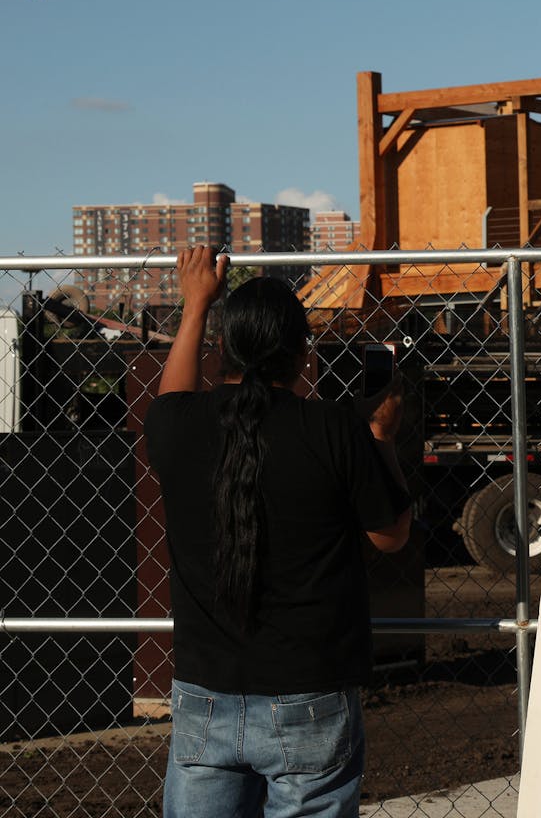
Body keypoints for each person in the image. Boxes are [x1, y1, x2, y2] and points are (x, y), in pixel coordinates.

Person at [144, 246, 412, 818]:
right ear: (302, 354)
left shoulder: (174, 427)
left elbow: (175, 394)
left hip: (205, 696)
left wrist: (196, 304)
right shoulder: (334, 429)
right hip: (310, 694)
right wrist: (383, 438)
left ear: (223, 348)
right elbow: (392, 536)